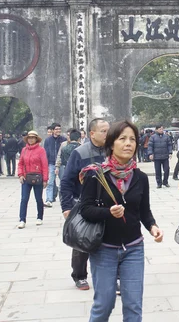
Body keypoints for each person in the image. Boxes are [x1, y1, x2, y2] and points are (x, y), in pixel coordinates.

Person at [80, 120, 163, 321]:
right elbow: (85, 210)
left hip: (133, 248)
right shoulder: (96, 175)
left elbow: (144, 211)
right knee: (104, 304)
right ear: (111, 144)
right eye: (122, 139)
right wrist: (109, 212)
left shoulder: (140, 177)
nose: (128, 144)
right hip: (103, 249)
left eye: (132, 139)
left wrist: (153, 227)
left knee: (133, 306)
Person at [61, 119, 109, 290]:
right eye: (103, 131)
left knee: (111, 241)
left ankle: (112, 276)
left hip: (109, 204)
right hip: (86, 204)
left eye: (108, 130)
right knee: (83, 239)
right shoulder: (79, 153)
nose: (107, 134)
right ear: (92, 133)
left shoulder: (112, 150)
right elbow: (66, 181)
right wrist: (66, 207)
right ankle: (79, 275)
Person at [17, 131, 48, 229]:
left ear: (36, 139)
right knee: (24, 199)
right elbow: (20, 163)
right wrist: (20, 174)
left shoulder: (41, 150)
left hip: (38, 177)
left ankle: (39, 217)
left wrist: (45, 179)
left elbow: (44, 165)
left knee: (38, 198)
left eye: (33, 138)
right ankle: (22, 219)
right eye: (29, 137)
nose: (31, 139)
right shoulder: (24, 150)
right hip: (26, 177)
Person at [43, 123, 66, 207]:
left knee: (63, 182)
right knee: (50, 182)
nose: (58, 130)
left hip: (61, 164)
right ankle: (49, 199)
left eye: (59, 129)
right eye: (56, 129)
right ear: (52, 130)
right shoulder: (48, 140)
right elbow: (45, 152)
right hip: (51, 163)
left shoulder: (64, 139)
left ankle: (63, 199)